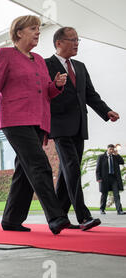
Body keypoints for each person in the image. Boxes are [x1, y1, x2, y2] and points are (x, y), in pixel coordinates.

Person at [0, 15, 70, 234]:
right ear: (19, 32)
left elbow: (46, 93)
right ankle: (56, 217)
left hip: (37, 121)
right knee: (39, 165)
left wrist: (56, 86)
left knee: (24, 171)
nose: (38, 32)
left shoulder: (38, 59)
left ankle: (11, 219)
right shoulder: (5, 55)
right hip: (15, 120)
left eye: (39, 29)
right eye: (33, 28)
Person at [45, 27, 120, 230]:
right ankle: (83, 216)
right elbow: (42, 97)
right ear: (59, 43)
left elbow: (90, 95)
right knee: (72, 168)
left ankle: (59, 219)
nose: (77, 43)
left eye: (78, 40)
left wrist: (106, 112)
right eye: (72, 39)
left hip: (79, 127)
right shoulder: (46, 65)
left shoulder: (80, 66)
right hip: (59, 126)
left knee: (66, 172)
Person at [97, 144, 124, 215]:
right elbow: (98, 169)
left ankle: (119, 210)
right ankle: (102, 209)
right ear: (107, 149)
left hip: (114, 178)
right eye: (110, 149)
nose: (111, 151)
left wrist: (117, 154)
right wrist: (98, 178)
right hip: (104, 178)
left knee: (116, 194)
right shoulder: (101, 157)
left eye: (112, 149)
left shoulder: (115, 157)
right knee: (104, 194)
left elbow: (122, 162)